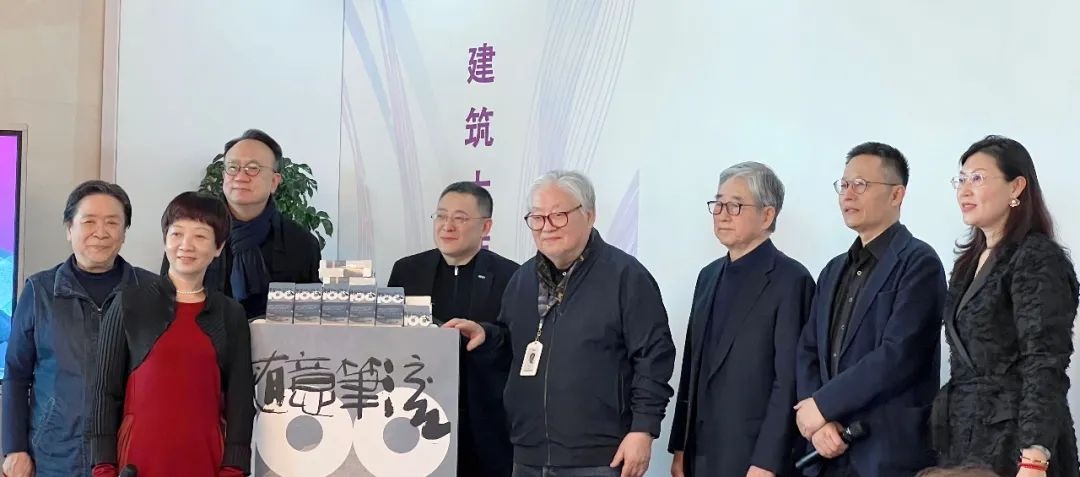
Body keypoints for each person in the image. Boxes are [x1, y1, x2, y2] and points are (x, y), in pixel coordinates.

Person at [444, 170, 676, 477]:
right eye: (537, 217)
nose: (547, 227)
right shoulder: (522, 279)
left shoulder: (626, 276)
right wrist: (486, 335)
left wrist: (642, 430)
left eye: (558, 215)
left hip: (599, 457)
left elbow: (653, 358)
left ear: (589, 215)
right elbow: (513, 345)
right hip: (528, 452)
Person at [931, 135, 1079, 477]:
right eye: (961, 180)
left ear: (1016, 187)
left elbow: (1044, 361)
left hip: (1017, 442)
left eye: (977, 178)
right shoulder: (968, 264)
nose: (964, 190)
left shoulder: (1037, 257)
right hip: (964, 436)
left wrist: (1034, 457)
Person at [795, 142, 946, 477]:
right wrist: (817, 422)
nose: (848, 194)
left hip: (886, 453)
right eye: (844, 184)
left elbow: (899, 354)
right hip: (826, 451)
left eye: (860, 185)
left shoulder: (919, 263)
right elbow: (808, 350)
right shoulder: (833, 270)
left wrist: (823, 405)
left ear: (896, 195)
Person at [90, 191, 254, 477]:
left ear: (218, 247)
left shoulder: (230, 314)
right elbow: (105, 392)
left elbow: (240, 399)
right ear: (165, 239)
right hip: (139, 462)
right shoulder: (128, 303)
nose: (186, 245)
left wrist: (234, 467)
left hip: (205, 461)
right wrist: (103, 466)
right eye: (177, 233)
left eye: (200, 236)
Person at [669, 162, 814, 477]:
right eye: (718, 204)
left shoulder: (791, 280)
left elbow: (789, 380)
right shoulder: (707, 276)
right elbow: (692, 369)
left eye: (735, 205)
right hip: (700, 455)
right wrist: (680, 447)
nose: (722, 214)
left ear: (767, 215)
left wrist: (768, 460)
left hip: (754, 458)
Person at [2, 181, 156, 477]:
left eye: (112, 222)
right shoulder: (40, 291)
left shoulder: (150, 291)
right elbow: (17, 375)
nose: (101, 232)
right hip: (55, 454)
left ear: (124, 232)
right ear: (69, 228)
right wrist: (14, 448)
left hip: (130, 455)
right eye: (89, 221)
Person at [387, 181, 519, 477]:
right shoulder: (406, 270)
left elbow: (518, 342)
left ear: (486, 227)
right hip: (416, 413)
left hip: (484, 419)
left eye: (459, 218)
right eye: (441, 216)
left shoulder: (512, 276)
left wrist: (485, 334)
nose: (447, 226)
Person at [163, 128, 320, 318]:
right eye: (233, 167)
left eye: (253, 168)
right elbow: (166, 303)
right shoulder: (190, 233)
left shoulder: (302, 243)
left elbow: (309, 320)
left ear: (274, 181)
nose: (240, 177)